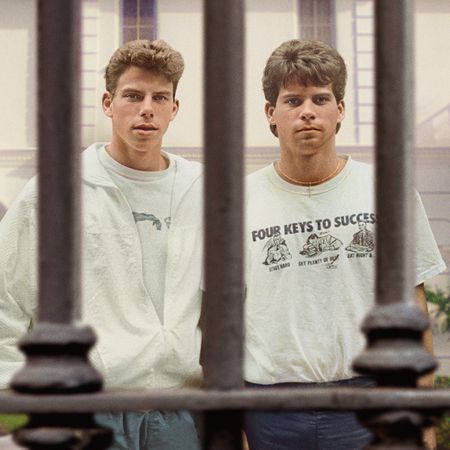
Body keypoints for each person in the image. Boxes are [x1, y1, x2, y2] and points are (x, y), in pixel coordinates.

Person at [0, 39, 203, 450]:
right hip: (89, 408)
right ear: (108, 102)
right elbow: (8, 294)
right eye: (133, 95)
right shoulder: (59, 188)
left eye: (159, 97)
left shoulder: (201, 188)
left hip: (177, 409)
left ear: (174, 109)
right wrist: (15, 393)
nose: (146, 107)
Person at [243, 39, 446, 450]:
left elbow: (413, 307)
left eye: (321, 98)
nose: (307, 112)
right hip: (269, 408)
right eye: (292, 100)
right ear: (271, 113)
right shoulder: (239, 201)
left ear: (340, 110)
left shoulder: (385, 191)